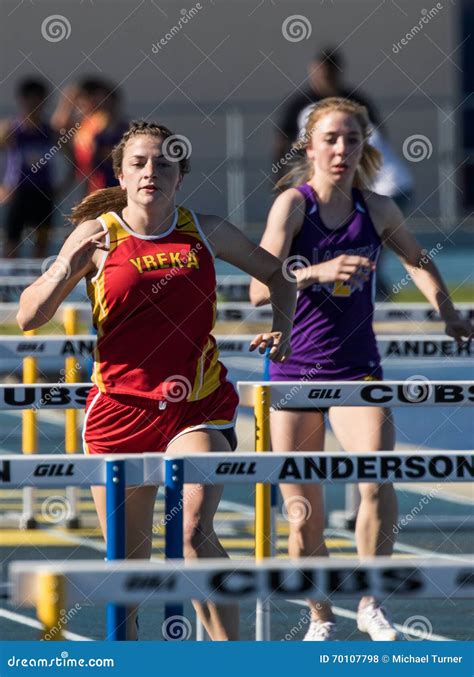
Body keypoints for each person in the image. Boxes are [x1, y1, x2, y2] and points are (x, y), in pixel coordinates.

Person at [17, 119, 297, 641]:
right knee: (130, 567)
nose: (151, 172)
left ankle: (228, 659)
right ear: (119, 177)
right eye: (140, 164)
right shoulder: (97, 237)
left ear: (180, 176)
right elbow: (28, 318)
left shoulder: (206, 230)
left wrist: (282, 330)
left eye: (164, 163)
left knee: (191, 531)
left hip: (197, 406)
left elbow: (279, 274)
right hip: (118, 412)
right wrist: (62, 271)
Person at [250, 97, 472, 641]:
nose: (342, 150)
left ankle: (372, 601)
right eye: (331, 139)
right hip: (295, 372)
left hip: (356, 372)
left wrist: (447, 311)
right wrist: (318, 271)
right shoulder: (291, 206)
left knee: (375, 482)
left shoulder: (376, 209)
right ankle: (320, 616)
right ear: (309, 146)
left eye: (353, 139)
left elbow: (418, 260)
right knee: (305, 512)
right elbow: (260, 288)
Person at [0, 78, 57, 257]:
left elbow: (73, 159)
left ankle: (39, 282)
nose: (34, 104)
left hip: (43, 192)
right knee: (11, 243)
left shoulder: (50, 130)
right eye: (29, 99)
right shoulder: (10, 129)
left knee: (42, 242)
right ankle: (9, 284)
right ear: (22, 100)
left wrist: (62, 186)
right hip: (18, 192)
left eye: (38, 99)